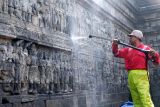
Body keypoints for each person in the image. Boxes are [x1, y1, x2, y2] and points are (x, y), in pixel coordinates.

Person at [112, 30, 160, 107]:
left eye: (131, 37)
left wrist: (154, 55)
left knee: (145, 98)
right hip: (131, 75)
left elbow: (156, 63)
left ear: (137, 37)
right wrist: (115, 44)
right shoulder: (128, 50)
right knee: (136, 100)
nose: (129, 38)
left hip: (141, 75)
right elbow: (116, 53)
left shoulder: (145, 48)